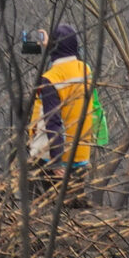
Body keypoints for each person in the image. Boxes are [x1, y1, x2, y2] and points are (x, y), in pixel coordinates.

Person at [29, 25, 99, 185]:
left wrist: (56, 162)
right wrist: (52, 49)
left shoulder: (51, 78)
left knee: (43, 206)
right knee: (73, 207)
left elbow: (53, 123)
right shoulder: (85, 70)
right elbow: (70, 60)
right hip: (80, 154)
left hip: (53, 157)